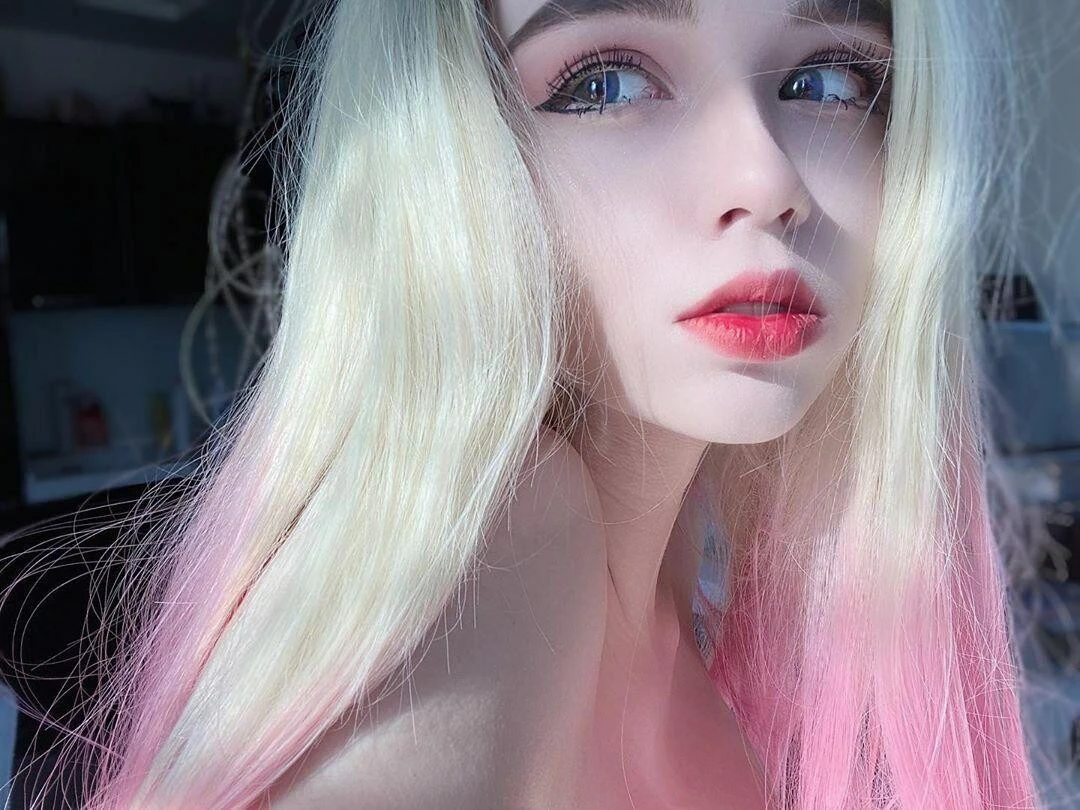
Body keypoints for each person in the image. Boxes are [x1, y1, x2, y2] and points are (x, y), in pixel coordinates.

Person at [11, 0, 1053, 806]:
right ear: (462, 153)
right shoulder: (512, 537)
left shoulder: (678, 600)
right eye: (605, 82)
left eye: (830, 79)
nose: (767, 176)